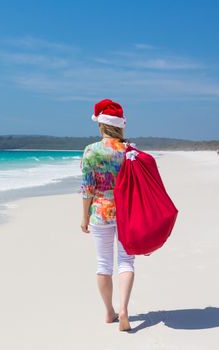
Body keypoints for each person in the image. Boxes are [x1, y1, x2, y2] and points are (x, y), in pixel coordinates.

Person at [79, 99, 135, 332]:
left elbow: (87, 188)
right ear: (120, 125)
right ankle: (123, 308)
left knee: (103, 265)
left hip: (101, 212)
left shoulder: (91, 151)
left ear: (101, 125)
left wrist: (84, 218)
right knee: (126, 261)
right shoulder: (129, 150)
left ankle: (109, 312)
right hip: (126, 212)